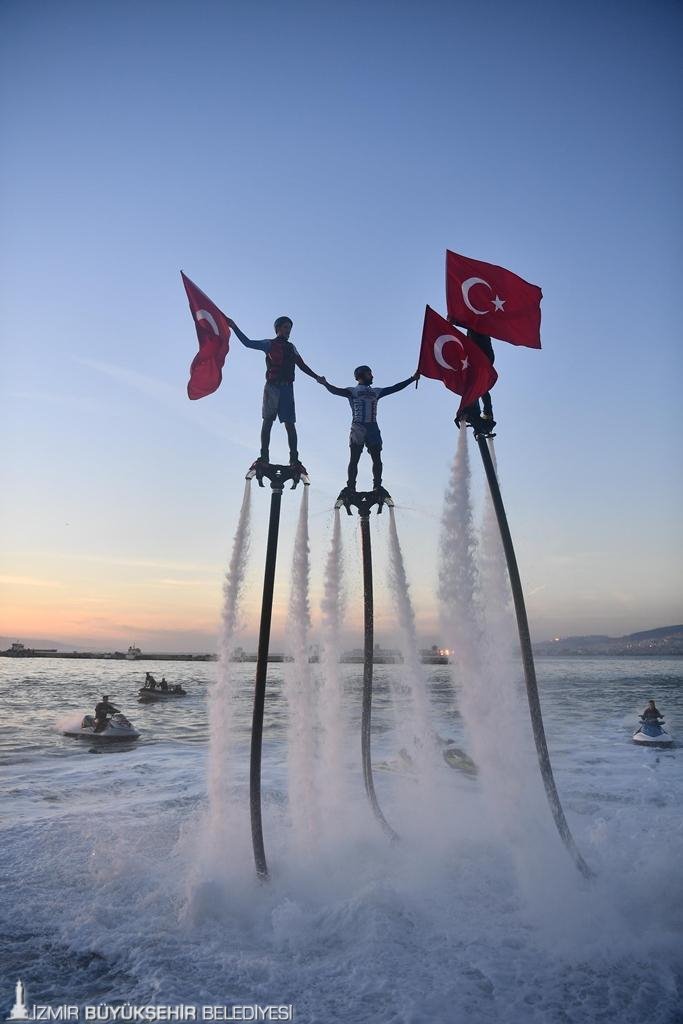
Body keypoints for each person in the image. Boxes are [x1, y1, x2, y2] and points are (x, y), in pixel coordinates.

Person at [227, 315, 322, 468]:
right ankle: (264, 456)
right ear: (278, 328)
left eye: (290, 328)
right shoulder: (269, 344)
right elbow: (247, 343)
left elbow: (302, 365)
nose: (288, 331)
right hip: (272, 387)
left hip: (287, 388)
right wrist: (234, 326)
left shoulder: (292, 347)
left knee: (290, 424)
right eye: (286, 327)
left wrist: (316, 377)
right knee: (268, 421)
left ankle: (294, 459)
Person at [318, 365, 418, 491]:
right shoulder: (352, 391)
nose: (372, 376)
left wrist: (412, 379)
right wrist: (325, 383)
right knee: (354, 459)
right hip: (358, 427)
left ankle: (377, 485)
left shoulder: (376, 391)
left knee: (377, 459)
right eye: (369, 374)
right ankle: (351, 486)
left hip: (372, 427)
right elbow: (335, 391)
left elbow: (394, 388)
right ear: (361, 375)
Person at [449, 318, 496, 436]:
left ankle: (485, 412)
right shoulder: (472, 329)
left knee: (479, 385)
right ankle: (475, 409)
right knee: (476, 385)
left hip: (483, 357)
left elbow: (476, 327)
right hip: (478, 358)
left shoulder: (479, 325)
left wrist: (456, 322)